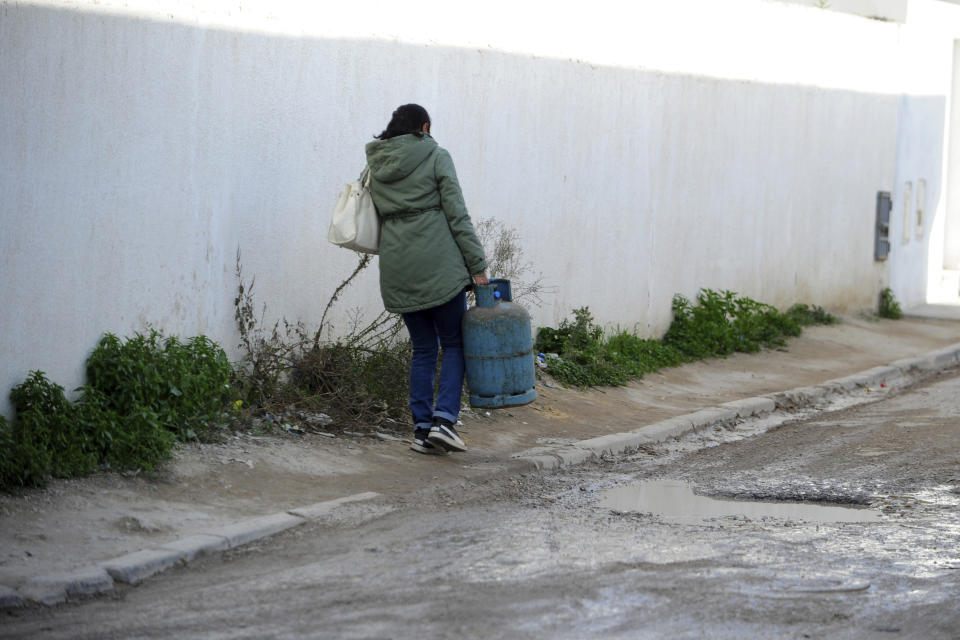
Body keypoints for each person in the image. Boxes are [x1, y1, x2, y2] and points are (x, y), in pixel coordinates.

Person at [365, 104, 489, 455]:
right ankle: (444, 421)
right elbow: (457, 214)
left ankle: (421, 430)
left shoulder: (375, 164)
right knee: (454, 343)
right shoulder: (436, 155)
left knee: (422, 348)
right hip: (439, 266)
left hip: (397, 265)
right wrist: (477, 266)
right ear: (424, 126)